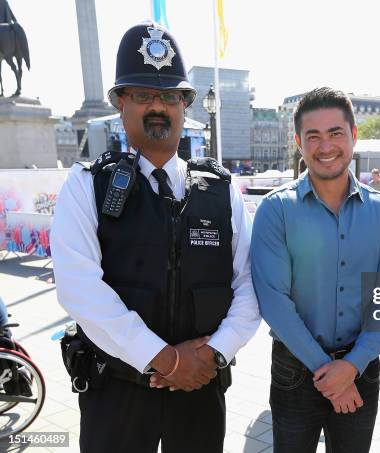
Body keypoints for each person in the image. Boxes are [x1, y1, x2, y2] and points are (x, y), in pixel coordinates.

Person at [51, 23, 260, 453]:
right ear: (121, 104)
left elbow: (250, 286)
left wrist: (210, 356)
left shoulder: (221, 191)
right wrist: (168, 360)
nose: (158, 107)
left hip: (200, 391)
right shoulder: (86, 185)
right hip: (117, 396)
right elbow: (80, 288)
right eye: (143, 95)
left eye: (169, 97)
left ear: (185, 105)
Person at [251, 87, 380, 453]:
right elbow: (274, 301)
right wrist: (330, 373)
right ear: (298, 142)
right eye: (313, 136)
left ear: (353, 135)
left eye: (335, 133)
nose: (325, 146)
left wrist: (351, 367)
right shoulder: (276, 210)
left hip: (361, 368)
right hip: (294, 370)